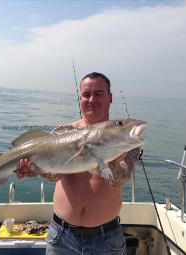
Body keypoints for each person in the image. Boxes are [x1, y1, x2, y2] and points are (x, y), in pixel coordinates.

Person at [17, 72, 134, 255]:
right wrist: (36, 169)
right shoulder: (63, 131)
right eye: (86, 94)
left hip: (106, 239)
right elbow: (55, 175)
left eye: (98, 93)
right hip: (61, 237)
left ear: (110, 97)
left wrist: (102, 148)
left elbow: (120, 178)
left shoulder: (124, 136)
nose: (91, 99)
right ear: (79, 98)